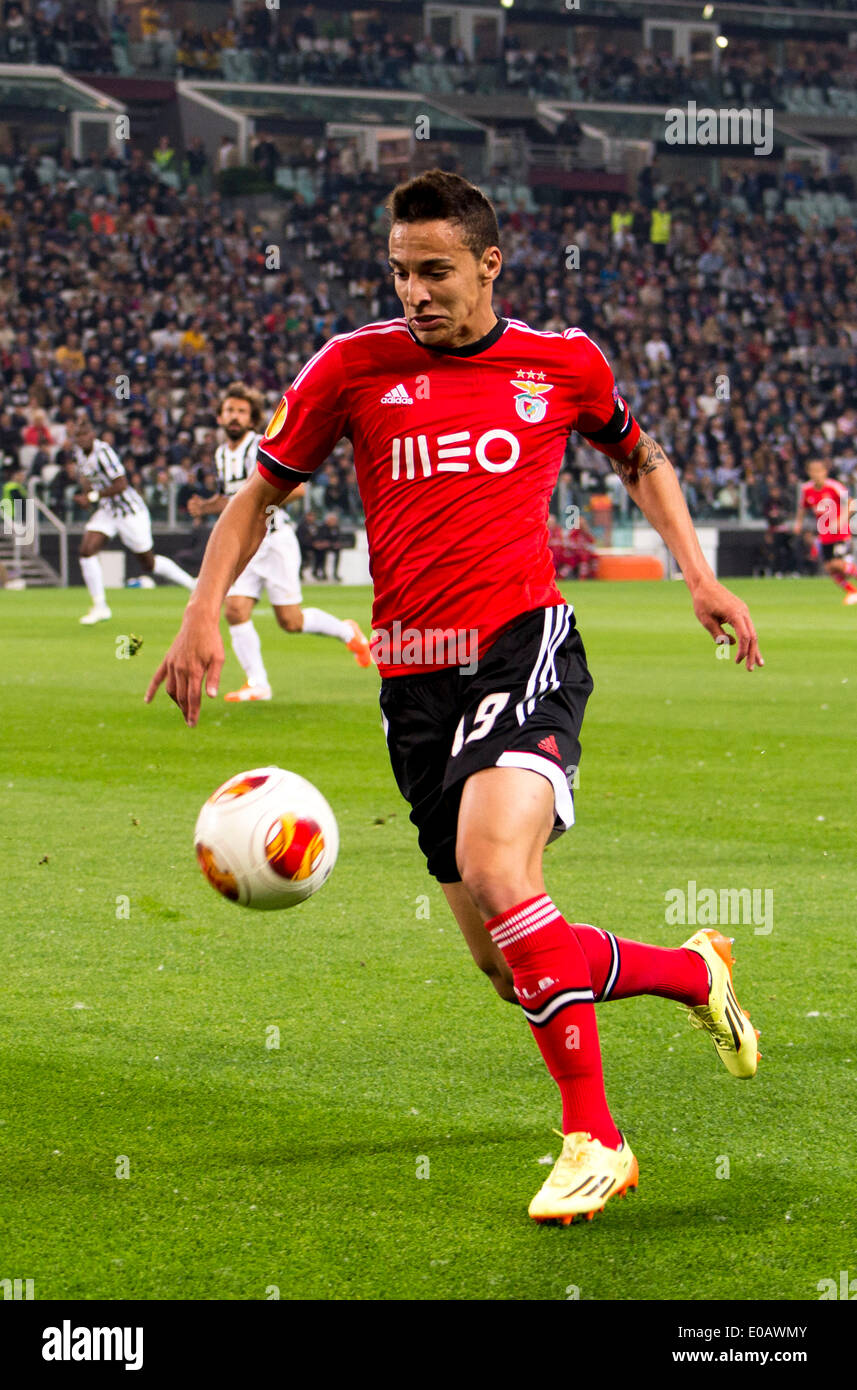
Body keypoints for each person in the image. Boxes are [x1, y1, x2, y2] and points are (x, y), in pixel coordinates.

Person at [147, 170, 763, 1226]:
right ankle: (688, 972)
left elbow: (642, 456)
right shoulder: (351, 367)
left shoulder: (561, 362)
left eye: (434, 271)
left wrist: (696, 571)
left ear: (487, 264)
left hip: (522, 646)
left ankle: (596, 1138)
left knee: (494, 865)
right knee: (505, 960)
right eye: (398, 272)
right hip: (413, 678)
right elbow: (257, 495)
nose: (414, 292)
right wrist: (204, 609)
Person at [185, 383, 371, 702]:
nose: (234, 416)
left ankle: (347, 631)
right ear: (218, 417)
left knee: (290, 621)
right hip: (245, 542)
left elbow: (296, 489)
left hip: (274, 541)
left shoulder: (261, 445)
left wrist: (249, 504)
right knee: (236, 611)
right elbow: (233, 496)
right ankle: (258, 683)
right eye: (229, 410)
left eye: (242, 412)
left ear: (252, 419)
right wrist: (206, 505)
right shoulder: (220, 454)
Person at [71, 412, 195, 625]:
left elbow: (121, 484)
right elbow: (88, 479)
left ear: (93, 434)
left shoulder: (104, 452)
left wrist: (92, 496)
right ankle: (100, 606)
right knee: (86, 551)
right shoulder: (80, 454)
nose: (81, 438)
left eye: (84, 434)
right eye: (77, 435)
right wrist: (86, 496)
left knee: (149, 563)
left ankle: (192, 584)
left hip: (130, 511)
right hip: (109, 510)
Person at [793, 457, 857, 605]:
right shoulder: (807, 489)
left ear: (825, 472)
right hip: (825, 535)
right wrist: (798, 523)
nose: (816, 474)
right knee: (830, 568)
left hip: (840, 533)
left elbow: (851, 503)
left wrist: (841, 520)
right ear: (809, 472)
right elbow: (802, 507)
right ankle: (852, 591)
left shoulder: (834, 487)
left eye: (819, 471)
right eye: (813, 471)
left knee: (837, 564)